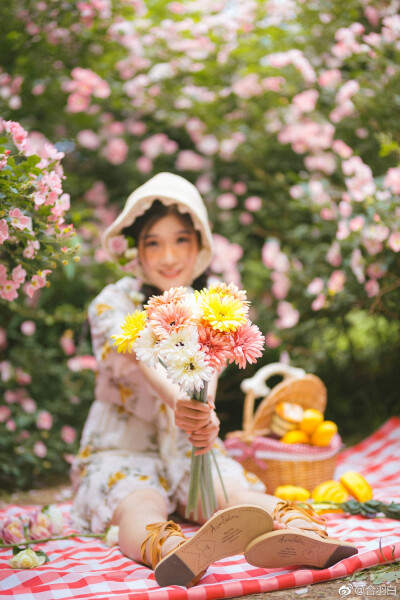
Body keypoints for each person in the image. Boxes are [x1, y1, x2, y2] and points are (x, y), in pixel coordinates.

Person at [71, 172, 357, 588]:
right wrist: (183, 407)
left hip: (189, 444)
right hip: (123, 446)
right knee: (140, 502)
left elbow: (204, 377)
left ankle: (299, 530)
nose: (168, 255)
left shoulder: (214, 309)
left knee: (231, 498)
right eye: (153, 242)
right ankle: (172, 552)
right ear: (136, 250)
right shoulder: (112, 302)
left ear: (200, 245)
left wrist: (202, 419)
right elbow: (143, 357)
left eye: (181, 240)